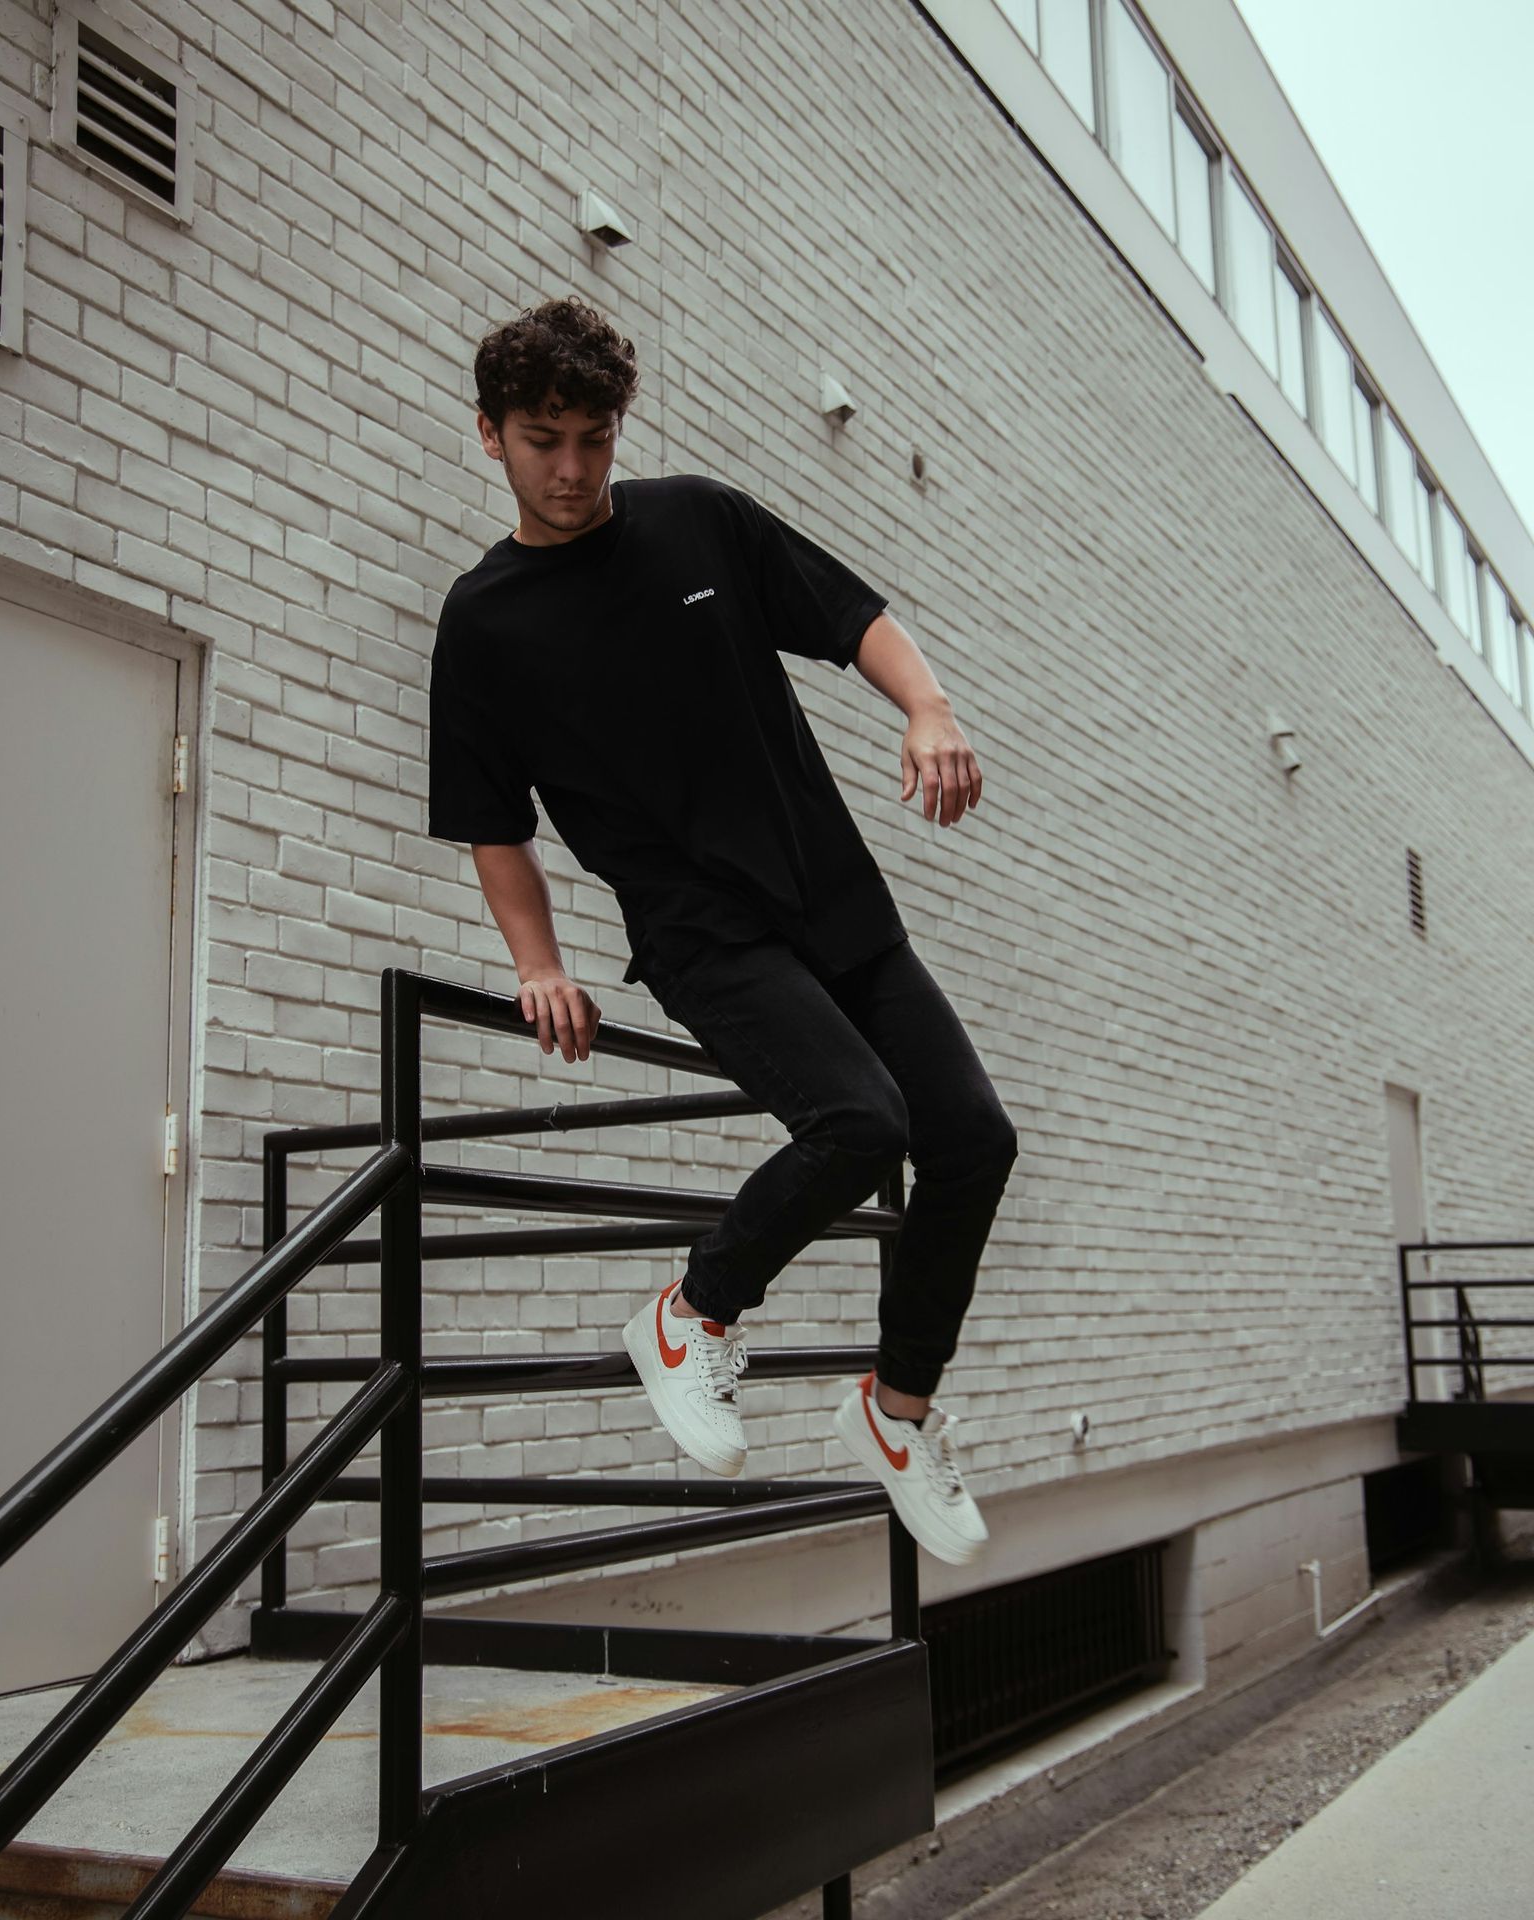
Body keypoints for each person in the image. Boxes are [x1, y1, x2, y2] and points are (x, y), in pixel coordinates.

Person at [427, 295, 1019, 1566]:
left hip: (835, 897)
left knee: (971, 1137)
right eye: (544, 441)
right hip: (703, 931)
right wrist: (539, 965)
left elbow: (849, 610)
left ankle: (900, 1412)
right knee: (862, 1122)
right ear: (490, 437)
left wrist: (928, 707)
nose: (575, 470)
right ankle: (690, 1317)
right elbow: (492, 820)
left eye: (594, 438)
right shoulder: (485, 623)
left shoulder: (698, 518)